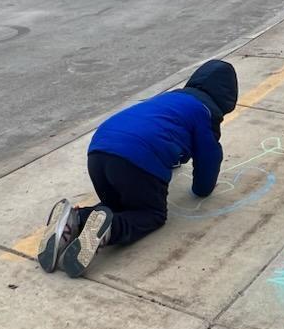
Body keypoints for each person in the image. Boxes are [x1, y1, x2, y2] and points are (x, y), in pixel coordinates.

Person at [37, 59, 239, 278]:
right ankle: (110, 230)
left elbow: (159, 131)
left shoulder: (170, 99)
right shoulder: (204, 113)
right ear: (225, 99)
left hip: (99, 150)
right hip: (136, 158)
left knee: (117, 205)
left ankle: (74, 218)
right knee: (151, 214)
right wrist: (203, 189)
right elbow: (209, 158)